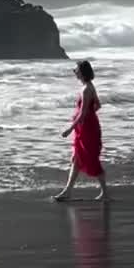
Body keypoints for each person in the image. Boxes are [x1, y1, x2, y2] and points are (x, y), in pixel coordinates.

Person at [54, 59, 106, 203]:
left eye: (76, 69)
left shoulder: (86, 89)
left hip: (86, 129)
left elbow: (83, 113)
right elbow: (98, 106)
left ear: (82, 72)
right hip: (86, 127)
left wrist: (69, 129)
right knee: (76, 159)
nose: (74, 72)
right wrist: (89, 117)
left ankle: (105, 193)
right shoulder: (89, 86)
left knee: (91, 158)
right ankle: (67, 191)